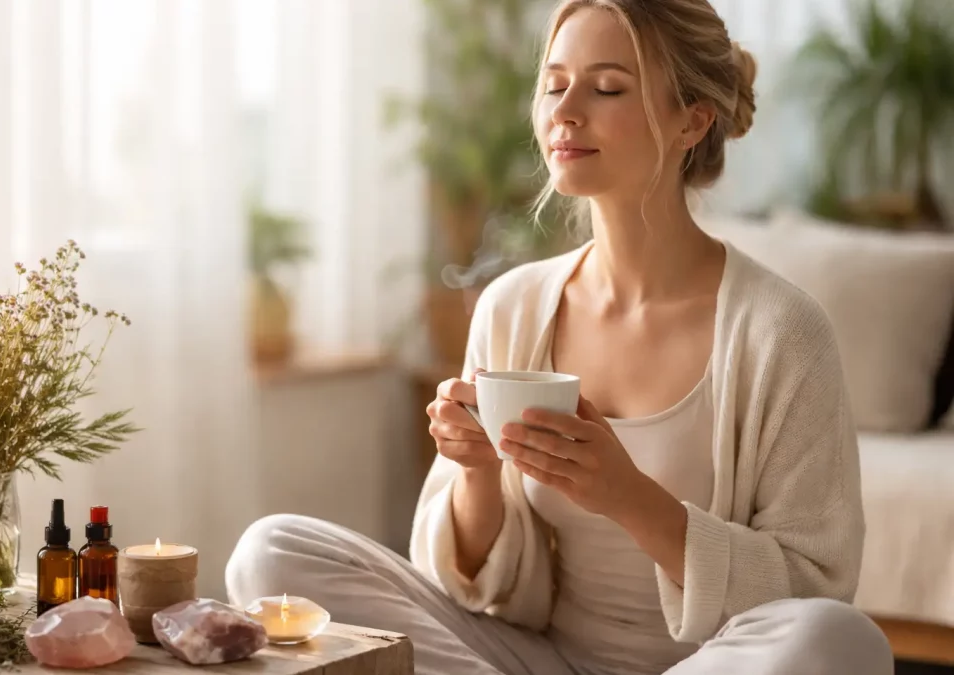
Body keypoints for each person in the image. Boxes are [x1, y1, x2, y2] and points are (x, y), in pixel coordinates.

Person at [227, 1, 896, 673]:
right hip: (533, 658)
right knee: (271, 553)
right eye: (553, 84)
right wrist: (478, 471)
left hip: (715, 663)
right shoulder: (512, 306)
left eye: (607, 88)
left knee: (839, 639)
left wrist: (630, 497)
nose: (564, 110)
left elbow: (812, 584)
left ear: (691, 119)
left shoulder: (782, 331)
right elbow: (480, 590)